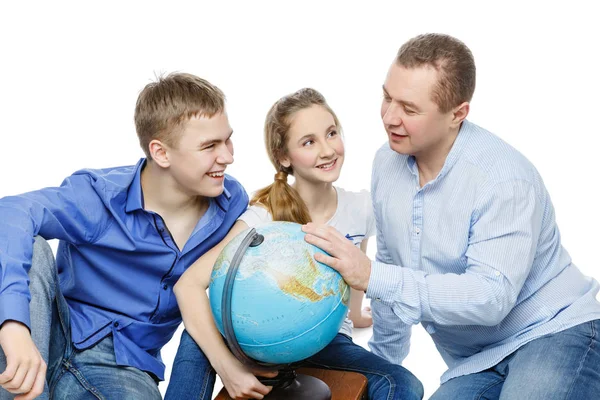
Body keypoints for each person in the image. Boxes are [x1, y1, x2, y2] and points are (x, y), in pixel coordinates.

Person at [302, 33, 600, 399]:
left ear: (457, 114)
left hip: (555, 331)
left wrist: (371, 275)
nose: (389, 117)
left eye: (409, 109)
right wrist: (381, 368)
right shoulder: (386, 163)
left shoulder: (503, 180)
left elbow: (489, 297)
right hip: (477, 360)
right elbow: (391, 263)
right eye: (387, 97)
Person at [0, 73, 249, 399]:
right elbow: (11, 212)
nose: (227, 156)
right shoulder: (100, 197)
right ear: (161, 153)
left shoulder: (230, 205)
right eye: (209, 146)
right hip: (50, 333)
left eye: (227, 140)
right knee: (27, 245)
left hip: (124, 366)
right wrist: (15, 326)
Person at [168, 88, 424, 400]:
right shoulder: (264, 216)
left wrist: (355, 318)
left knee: (404, 385)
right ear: (284, 157)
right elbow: (188, 285)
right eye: (309, 142)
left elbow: (355, 270)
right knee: (196, 336)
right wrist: (228, 368)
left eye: (331, 133)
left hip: (323, 341)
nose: (327, 150)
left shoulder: (362, 208)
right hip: (259, 340)